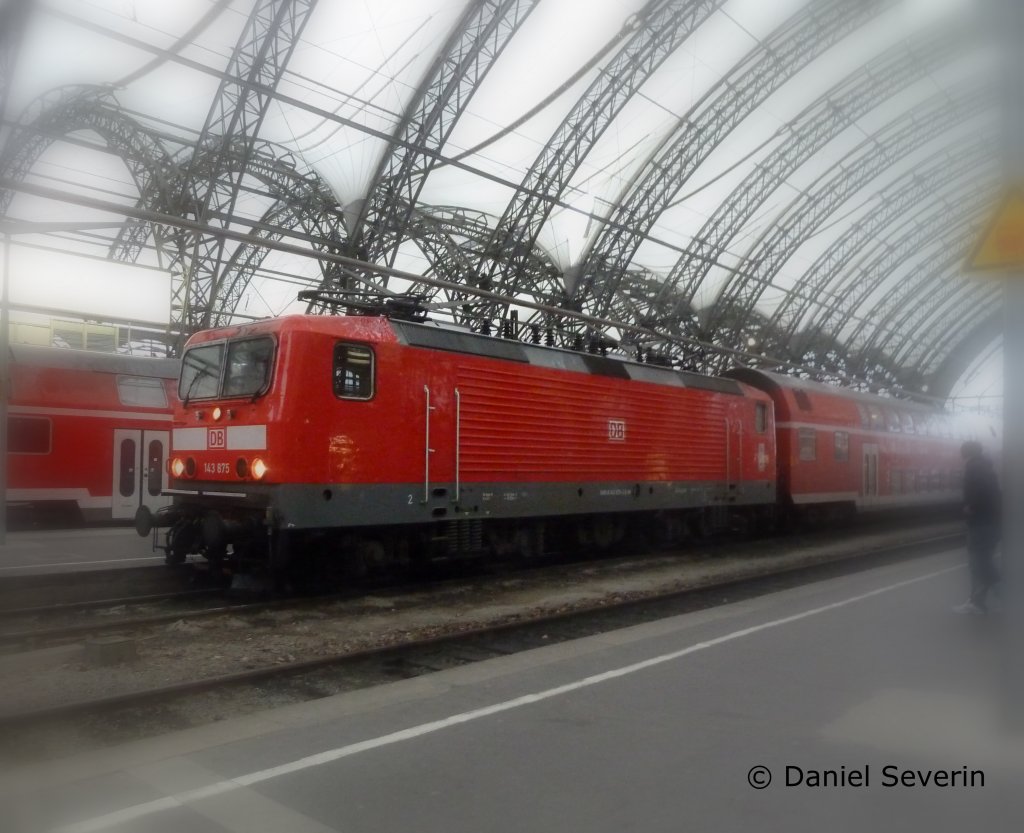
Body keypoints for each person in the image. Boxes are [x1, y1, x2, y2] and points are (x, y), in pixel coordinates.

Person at [955, 441, 1001, 614]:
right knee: (981, 563)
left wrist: (971, 506)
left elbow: (981, 490)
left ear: (965, 453)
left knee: (979, 563)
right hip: (990, 522)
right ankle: (977, 602)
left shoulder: (975, 467)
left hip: (981, 524)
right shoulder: (985, 466)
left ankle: (1006, 597)